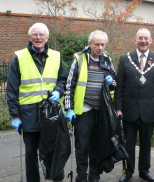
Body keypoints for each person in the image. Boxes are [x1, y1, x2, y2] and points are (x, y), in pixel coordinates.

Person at [6, 22, 67, 182]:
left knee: (53, 150)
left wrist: (58, 91)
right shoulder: (19, 58)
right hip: (29, 114)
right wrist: (15, 116)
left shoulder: (56, 56)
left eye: (41, 35)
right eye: (35, 34)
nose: (38, 38)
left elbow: (63, 79)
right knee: (31, 153)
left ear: (47, 38)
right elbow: (12, 89)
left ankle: (57, 179)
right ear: (30, 37)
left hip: (51, 113)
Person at [114, 28, 154, 182]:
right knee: (128, 144)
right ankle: (127, 171)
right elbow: (119, 86)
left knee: (146, 143)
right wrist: (118, 107)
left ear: (151, 41)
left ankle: (144, 170)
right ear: (135, 40)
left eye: (146, 38)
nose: (143, 41)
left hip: (149, 110)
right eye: (140, 38)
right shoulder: (125, 59)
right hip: (128, 110)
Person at [64, 30, 116, 182]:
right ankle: (81, 176)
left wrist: (110, 81)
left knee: (97, 145)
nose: (100, 48)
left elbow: (114, 82)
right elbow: (69, 85)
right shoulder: (79, 59)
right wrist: (69, 108)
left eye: (103, 45)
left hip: (101, 110)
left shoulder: (107, 59)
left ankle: (94, 176)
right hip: (84, 109)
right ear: (89, 44)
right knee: (82, 146)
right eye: (97, 44)